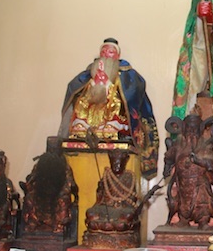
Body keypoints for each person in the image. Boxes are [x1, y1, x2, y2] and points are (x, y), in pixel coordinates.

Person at [59, 38, 159, 179]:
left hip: (112, 119)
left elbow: (132, 97)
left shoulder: (127, 76)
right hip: (88, 118)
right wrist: (93, 85)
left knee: (117, 107)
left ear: (118, 55)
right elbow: (74, 91)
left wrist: (109, 86)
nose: (106, 55)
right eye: (103, 52)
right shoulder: (88, 74)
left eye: (110, 52)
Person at [163, 113, 213, 229]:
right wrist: (166, 169)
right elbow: (169, 158)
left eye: (195, 129)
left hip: (200, 182)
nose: (192, 132)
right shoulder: (178, 145)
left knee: (202, 202)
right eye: (189, 129)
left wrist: (198, 161)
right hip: (183, 182)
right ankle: (183, 220)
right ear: (184, 129)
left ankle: (203, 221)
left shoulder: (206, 146)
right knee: (183, 203)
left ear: (200, 130)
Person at [83, 149, 140, 247]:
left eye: (119, 163)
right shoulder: (106, 176)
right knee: (90, 213)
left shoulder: (129, 177)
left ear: (124, 163)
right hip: (106, 207)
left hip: (121, 208)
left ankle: (116, 229)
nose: (116, 166)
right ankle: (106, 228)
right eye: (114, 163)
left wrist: (121, 202)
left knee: (128, 216)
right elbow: (100, 198)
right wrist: (100, 189)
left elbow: (131, 198)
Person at [20, 151, 78, 235]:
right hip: (40, 193)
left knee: (63, 199)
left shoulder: (65, 167)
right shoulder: (38, 166)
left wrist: (74, 195)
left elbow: (71, 184)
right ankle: (33, 224)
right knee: (29, 198)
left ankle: (57, 226)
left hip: (57, 192)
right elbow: (31, 179)